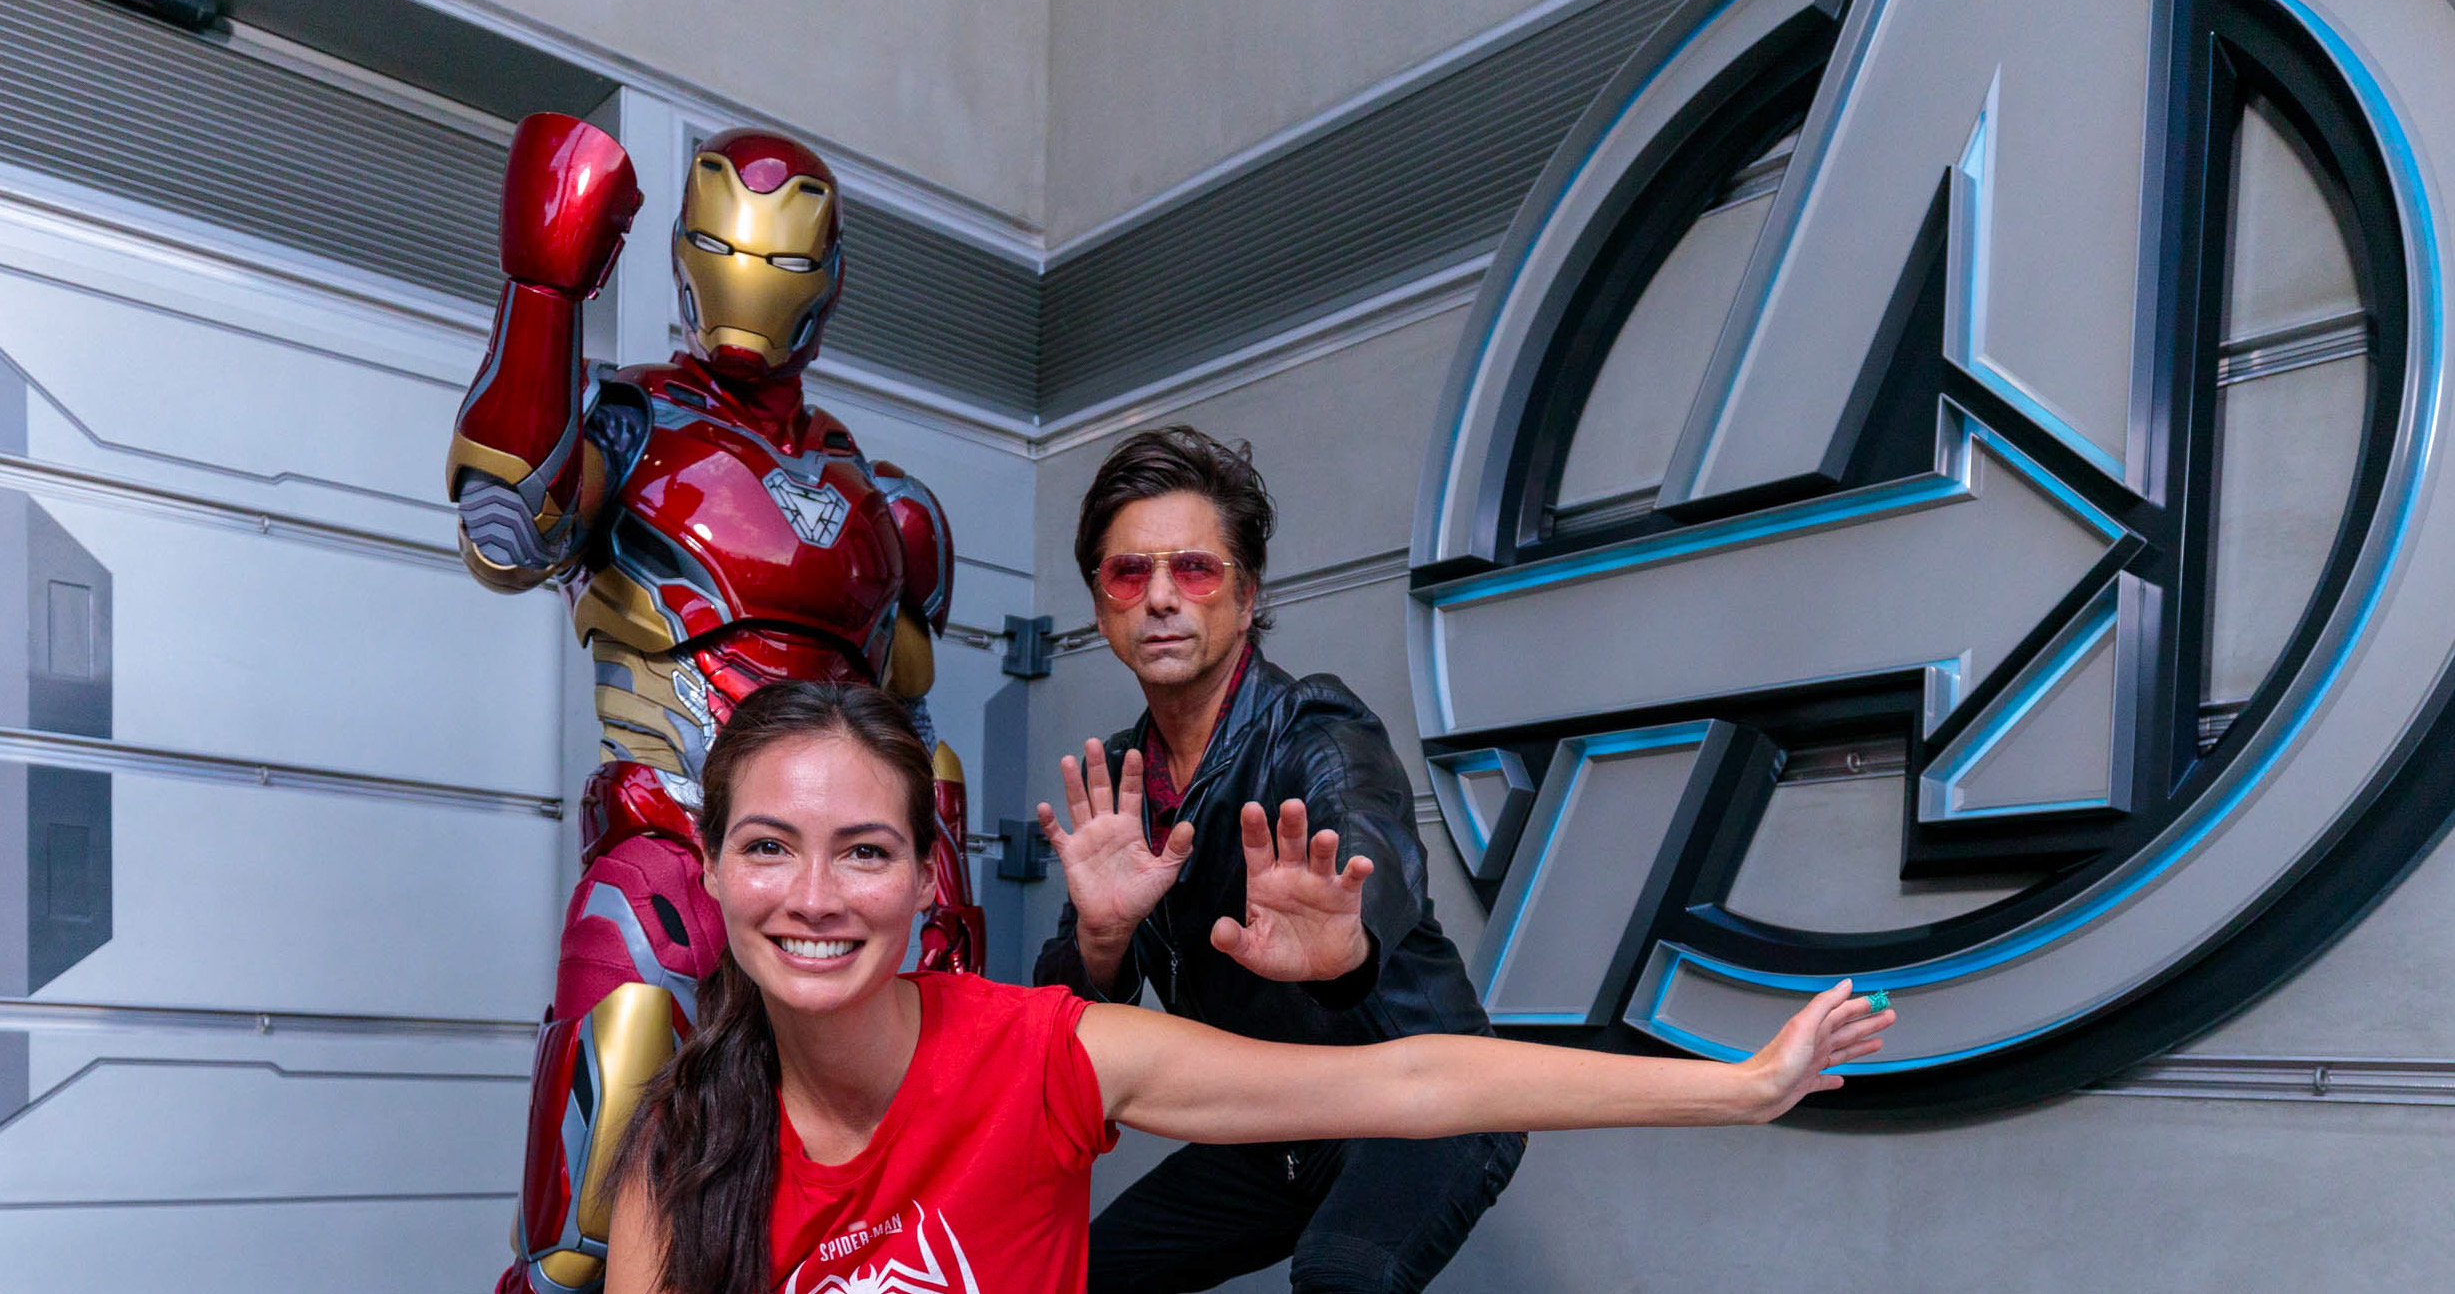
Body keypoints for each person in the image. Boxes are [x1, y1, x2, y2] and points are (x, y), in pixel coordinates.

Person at [604, 680, 1890, 1294]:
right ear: (711, 870)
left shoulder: (1043, 1055)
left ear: (926, 875)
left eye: (864, 850)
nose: (814, 895)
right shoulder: (685, 1137)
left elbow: (1413, 1077)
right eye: (769, 845)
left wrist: (1732, 1088)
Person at [447, 112, 984, 1294]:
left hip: (827, 888)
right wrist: (542, 291)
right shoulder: (628, 424)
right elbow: (505, 526)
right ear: (688, 253)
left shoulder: (882, 501)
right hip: (669, 843)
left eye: (786, 262)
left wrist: (944, 884)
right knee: (593, 1204)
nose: (754, 281)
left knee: (855, 1208)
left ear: (827, 280)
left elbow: (911, 726)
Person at [1031, 425, 1516, 1293]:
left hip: (1421, 1096)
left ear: (1245, 597)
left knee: (1341, 1276)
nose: (1161, 598)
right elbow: (1067, 1018)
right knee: (1073, 1277)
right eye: (1129, 573)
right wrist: (1102, 938)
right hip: (1276, 1123)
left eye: (1195, 569)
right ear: (1103, 606)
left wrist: (1346, 946)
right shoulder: (1123, 783)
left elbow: (1370, 855)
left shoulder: (1321, 736)